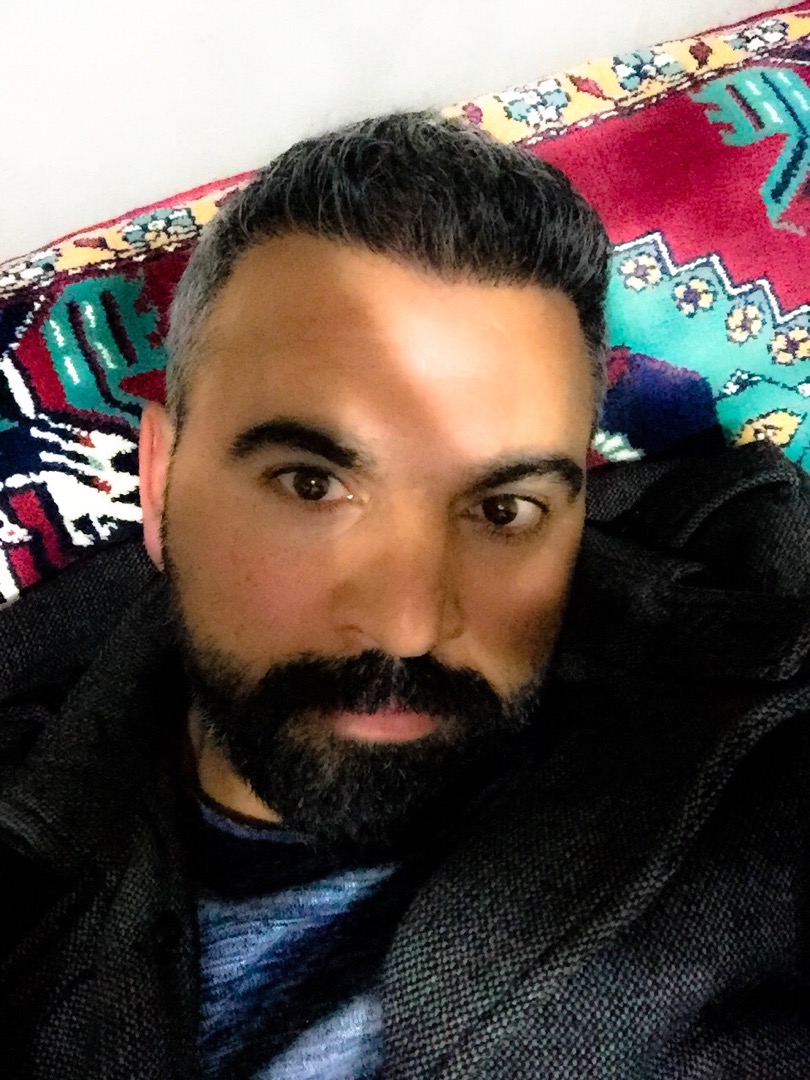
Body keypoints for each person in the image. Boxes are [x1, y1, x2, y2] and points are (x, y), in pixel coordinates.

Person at [1, 112, 808, 1080]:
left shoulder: (757, 757)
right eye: (311, 486)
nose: (409, 626)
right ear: (162, 478)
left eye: (503, 509)